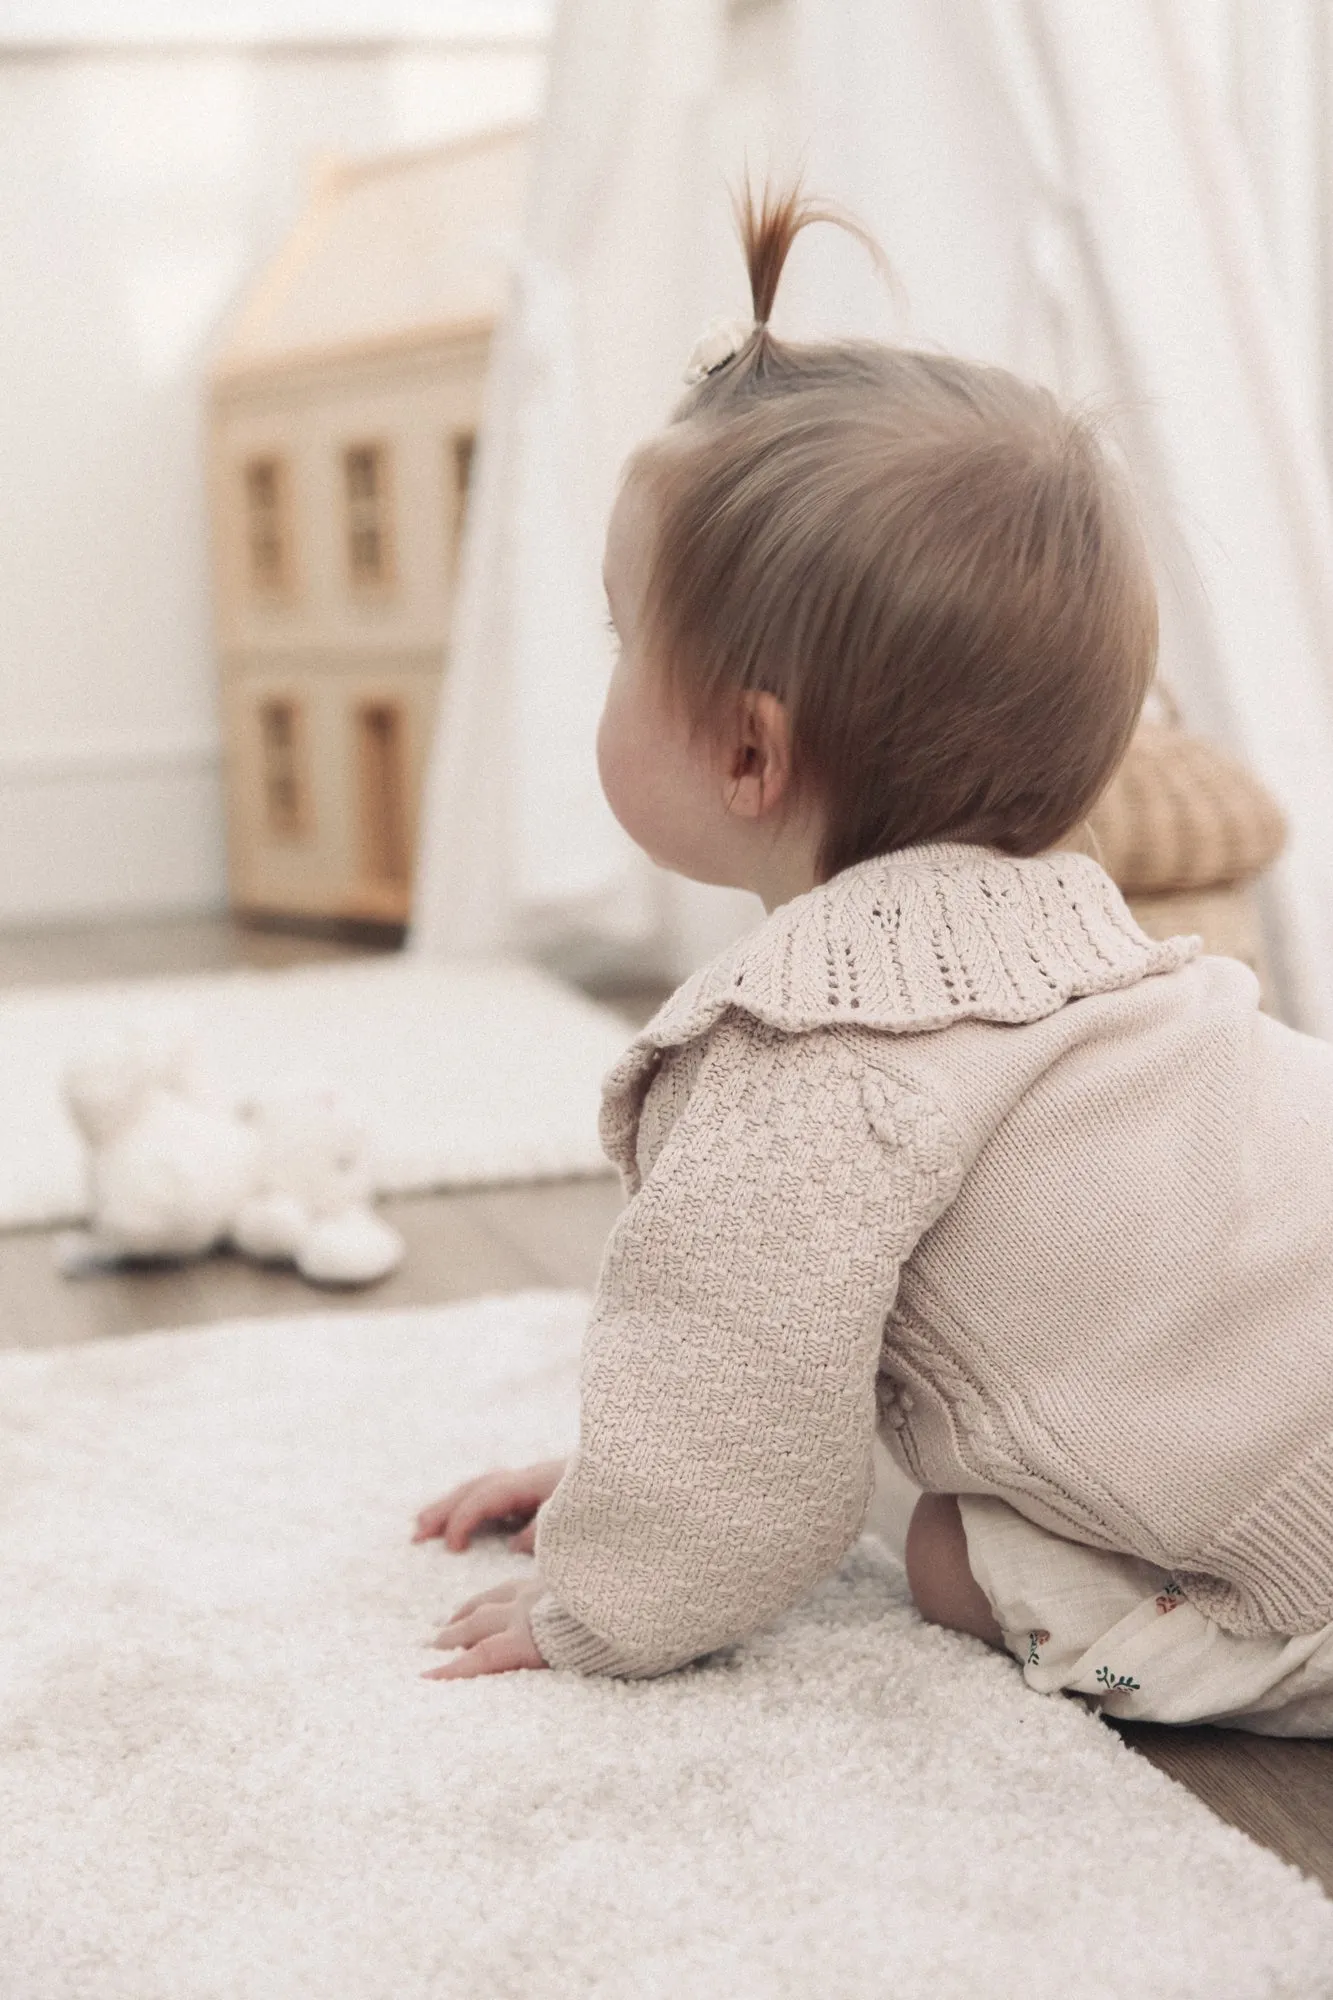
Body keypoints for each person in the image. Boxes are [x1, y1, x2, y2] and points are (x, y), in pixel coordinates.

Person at [412, 184, 1333, 1733]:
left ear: (752, 754)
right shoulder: (1100, 958)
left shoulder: (805, 1059)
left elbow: (739, 1405)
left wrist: (607, 1588)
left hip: (1303, 1562)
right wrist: (618, 1463)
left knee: (943, 1548)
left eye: (623, 636)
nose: (613, 669)